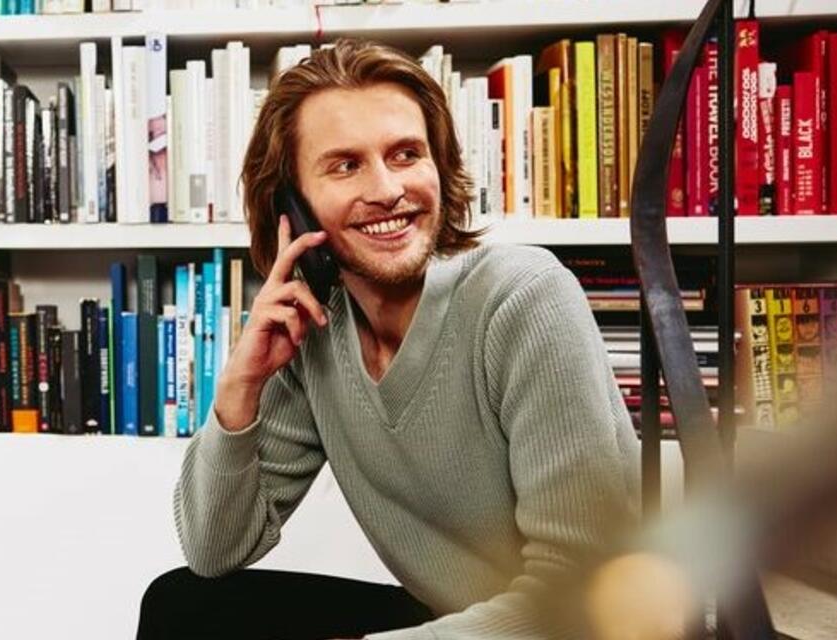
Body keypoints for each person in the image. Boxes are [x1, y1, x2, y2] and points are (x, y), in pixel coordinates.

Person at [137, 38, 640, 640]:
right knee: (184, 606)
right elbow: (213, 551)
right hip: (460, 622)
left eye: (406, 155)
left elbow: (580, 597)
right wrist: (239, 390)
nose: (387, 190)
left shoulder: (523, 297)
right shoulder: (317, 330)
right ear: (292, 206)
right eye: (346, 165)